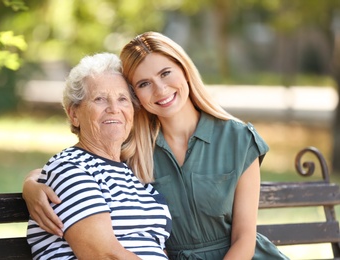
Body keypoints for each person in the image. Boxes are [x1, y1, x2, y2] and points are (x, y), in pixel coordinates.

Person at [23, 32, 288, 259]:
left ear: (184, 69)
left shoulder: (237, 139)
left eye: (165, 73)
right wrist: (31, 185)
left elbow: (244, 238)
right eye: (144, 84)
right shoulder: (132, 147)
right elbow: (74, 169)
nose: (160, 90)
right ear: (136, 94)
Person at [26, 52, 172, 260]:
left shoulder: (133, 176)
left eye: (122, 99)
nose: (114, 109)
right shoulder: (70, 169)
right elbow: (103, 255)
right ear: (74, 114)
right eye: (100, 99)